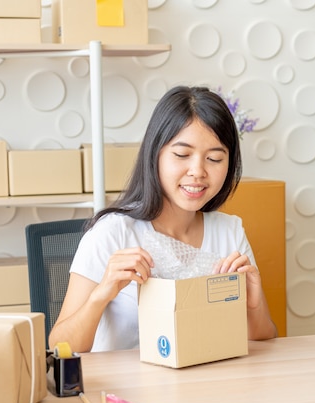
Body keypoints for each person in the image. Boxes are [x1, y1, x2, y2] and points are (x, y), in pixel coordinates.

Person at [48, 85, 278, 353]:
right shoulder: (113, 233)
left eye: (214, 158)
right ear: (155, 154)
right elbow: (58, 346)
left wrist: (253, 304)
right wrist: (102, 293)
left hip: (207, 386)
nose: (198, 171)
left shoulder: (230, 232)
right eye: (182, 155)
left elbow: (265, 340)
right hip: (128, 391)